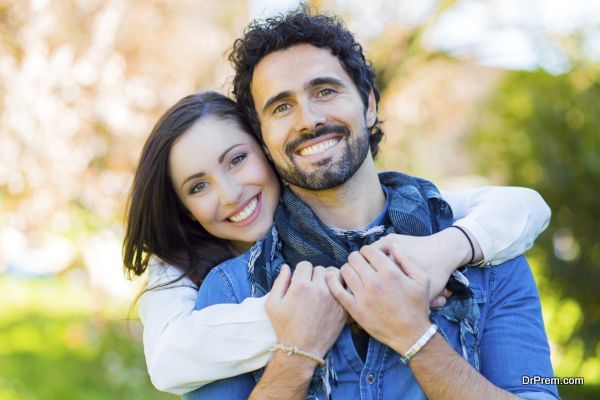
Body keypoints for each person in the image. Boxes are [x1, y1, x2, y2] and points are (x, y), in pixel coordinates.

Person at [180, 7, 559, 400]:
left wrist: (415, 337)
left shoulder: (489, 259)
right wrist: (296, 357)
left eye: (325, 91)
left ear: (370, 104)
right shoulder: (231, 290)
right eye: (281, 107)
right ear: (263, 140)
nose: (308, 120)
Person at [124, 92, 551, 396]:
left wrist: (448, 251)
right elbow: (168, 362)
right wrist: (311, 328)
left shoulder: (441, 229)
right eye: (198, 187)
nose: (231, 193)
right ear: (184, 209)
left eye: (237, 159)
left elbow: (519, 205)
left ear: (268, 149)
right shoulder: (211, 285)